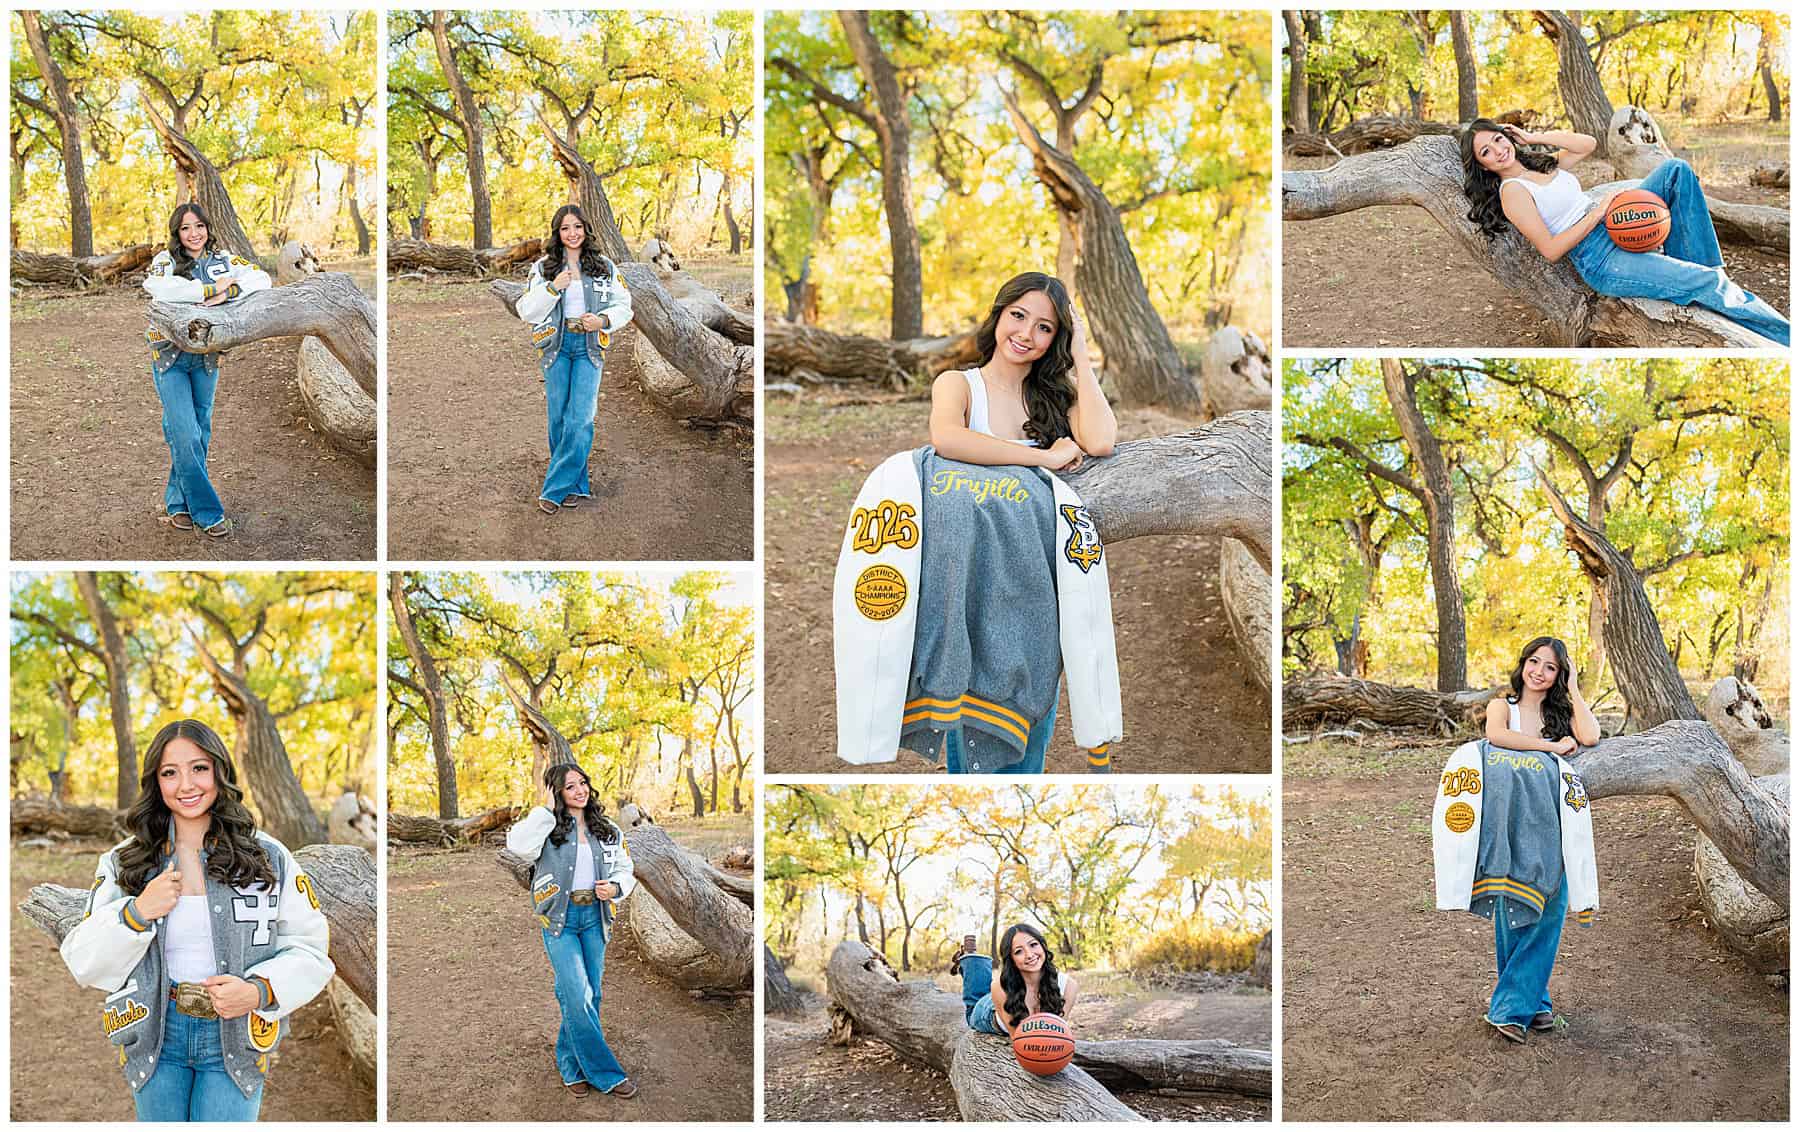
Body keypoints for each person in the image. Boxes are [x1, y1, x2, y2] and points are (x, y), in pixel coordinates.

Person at [59, 719, 333, 1121]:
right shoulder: (126, 860)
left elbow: (310, 945)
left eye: (199, 768)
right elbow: (83, 959)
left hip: (235, 1033)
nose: (186, 785)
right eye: (170, 773)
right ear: (157, 782)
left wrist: (259, 991)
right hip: (156, 1031)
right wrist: (136, 914)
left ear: (220, 771)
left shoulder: (267, 858)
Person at [924, 272, 1118, 774]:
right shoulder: (959, 385)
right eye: (1019, 316)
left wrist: (1080, 358)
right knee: (972, 740)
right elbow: (948, 440)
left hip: (1038, 591)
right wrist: (1040, 460)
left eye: (1046, 328)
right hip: (974, 590)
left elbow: (1100, 440)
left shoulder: (1049, 400)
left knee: (1033, 727)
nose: (1027, 333)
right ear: (999, 314)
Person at [1459, 119, 1789, 345]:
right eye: (1486, 151)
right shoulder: (1512, 191)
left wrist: (1531, 138)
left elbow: (1586, 144)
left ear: (1508, 136)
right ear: (1482, 165)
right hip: (1599, 258)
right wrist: (1598, 212)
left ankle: (1698, 276)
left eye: (1498, 139)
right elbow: (1550, 249)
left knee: (1676, 171)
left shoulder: (1539, 163)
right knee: (1709, 284)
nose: (1498, 150)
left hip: (1615, 221)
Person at [1475, 636, 1601, 1043]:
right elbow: (1497, 738)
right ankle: (1520, 1007)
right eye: (1534, 662)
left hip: (1555, 827)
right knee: (1513, 911)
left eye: (1550, 667)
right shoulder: (1503, 707)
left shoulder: (1559, 715)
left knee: (1549, 908)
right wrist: (1550, 747)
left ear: (1558, 674)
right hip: (1508, 827)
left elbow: (1592, 735)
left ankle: (1528, 1002)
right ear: (1523, 663)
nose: (1539, 672)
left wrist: (1576, 689)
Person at [505, 762, 638, 1099]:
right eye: (570, 787)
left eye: (583, 783)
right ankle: (606, 1073)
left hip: (595, 917)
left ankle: (569, 1063)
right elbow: (518, 847)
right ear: (557, 793)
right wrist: (546, 810)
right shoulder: (548, 829)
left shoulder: (606, 829)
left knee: (590, 994)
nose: (580, 791)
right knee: (577, 994)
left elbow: (626, 867)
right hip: (559, 921)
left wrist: (617, 887)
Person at [142, 204, 273, 538]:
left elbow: (261, 279)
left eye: (199, 226)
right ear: (177, 233)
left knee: (198, 433)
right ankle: (207, 511)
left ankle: (177, 502)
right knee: (184, 433)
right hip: (169, 358)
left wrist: (230, 290)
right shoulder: (165, 261)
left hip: (207, 358)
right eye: (186, 228)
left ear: (207, 228)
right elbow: (159, 289)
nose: (194, 234)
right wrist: (209, 290)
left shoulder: (223, 258)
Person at [514, 205, 634, 514]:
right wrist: (554, 288)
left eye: (577, 227)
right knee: (558, 418)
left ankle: (554, 490)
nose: (572, 233)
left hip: (589, 345)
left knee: (580, 418)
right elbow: (526, 310)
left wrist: (605, 320)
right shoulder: (543, 268)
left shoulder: (604, 265)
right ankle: (575, 485)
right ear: (557, 233)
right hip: (557, 344)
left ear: (586, 229)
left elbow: (625, 304)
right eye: (565, 228)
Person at [950, 923, 1080, 1036]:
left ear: (1043, 946)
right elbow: (1019, 1041)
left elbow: (1057, 1033)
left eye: (1033, 945)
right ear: (1011, 959)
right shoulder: (999, 988)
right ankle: (970, 958)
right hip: (991, 1010)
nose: (1029, 955)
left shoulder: (1069, 986)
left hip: (1010, 993)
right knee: (974, 1004)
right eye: (1019, 951)